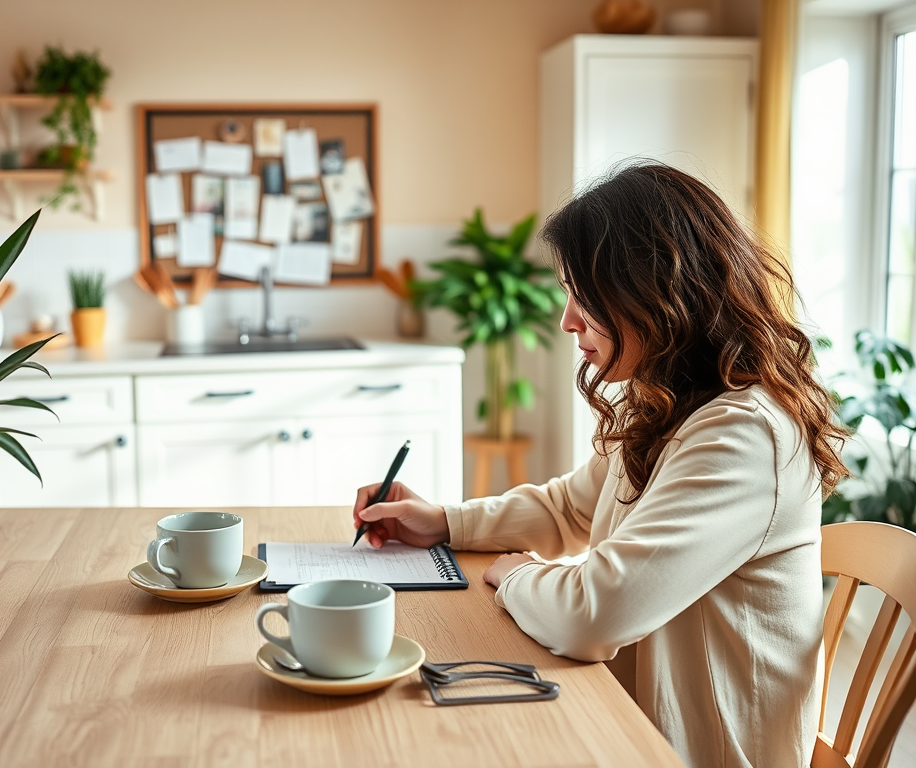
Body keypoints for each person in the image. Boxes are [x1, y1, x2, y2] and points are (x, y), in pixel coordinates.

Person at [352, 163, 848, 768]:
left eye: (582, 294)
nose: (567, 320)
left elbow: (597, 612)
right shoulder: (673, 397)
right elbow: (570, 507)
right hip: (631, 727)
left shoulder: (744, 435)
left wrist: (515, 577)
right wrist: (444, 521)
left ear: (655, 291)